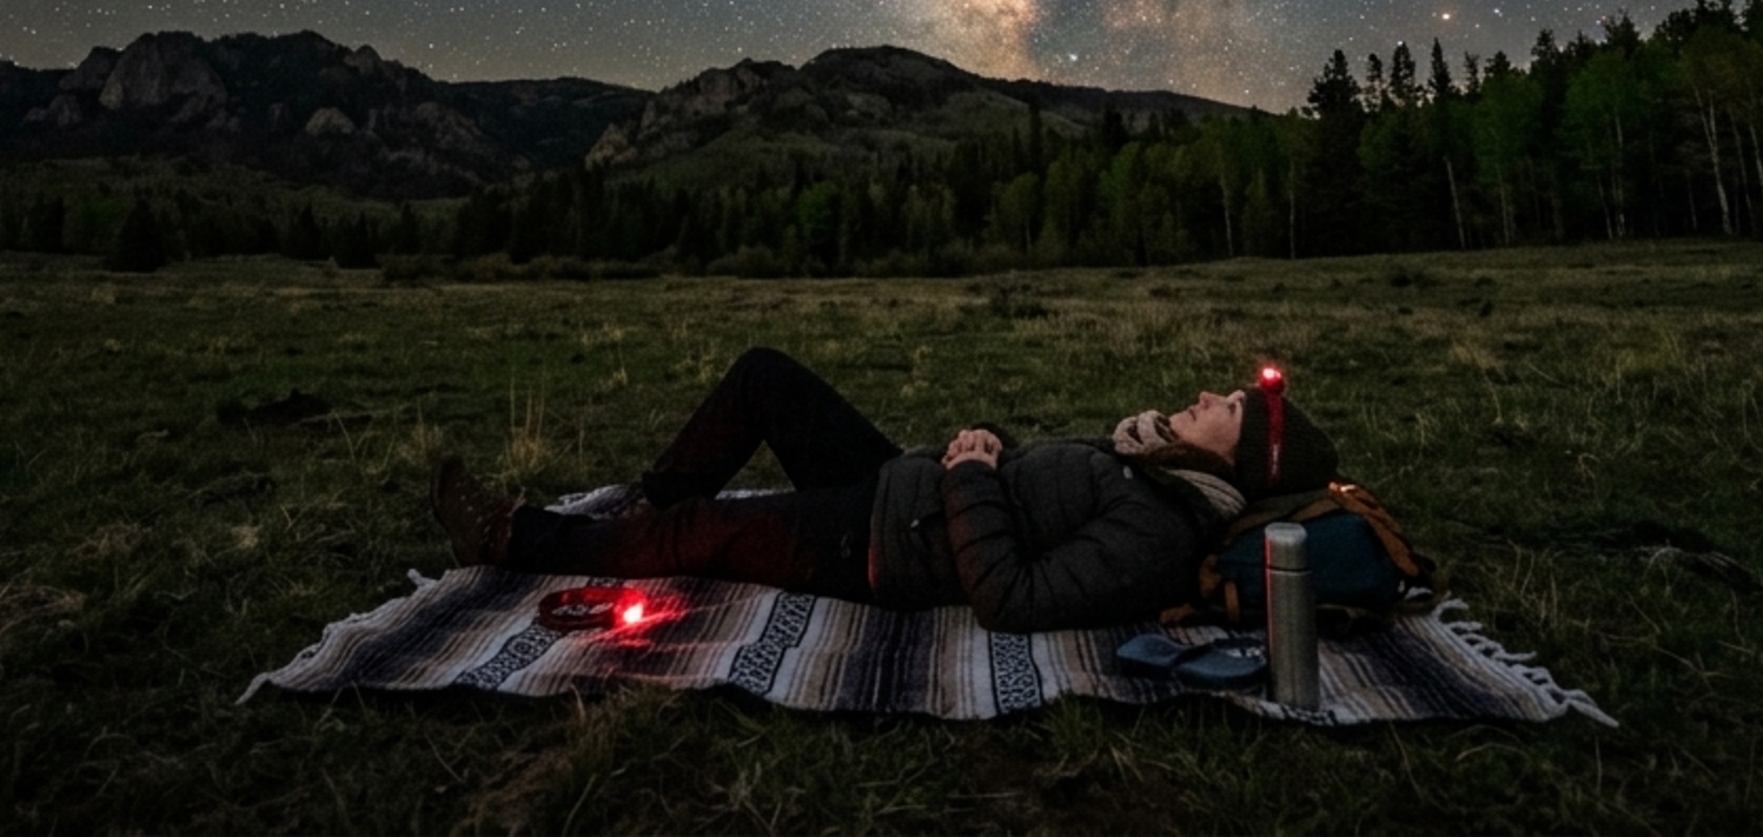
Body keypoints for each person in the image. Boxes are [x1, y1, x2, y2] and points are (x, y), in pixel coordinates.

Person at [430, 346, 1338, 633]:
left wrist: (976, 477)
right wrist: (989, 452)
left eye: (1229, 409)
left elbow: (1011, 599)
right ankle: (644, 509)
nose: (1210, 395)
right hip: (900, 486)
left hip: (880, 545)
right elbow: (1037, 494)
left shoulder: (1161, 531)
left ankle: (523, 541)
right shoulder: (1149, 467)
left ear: (1240, 460)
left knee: (713, 533)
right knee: (764, 378)